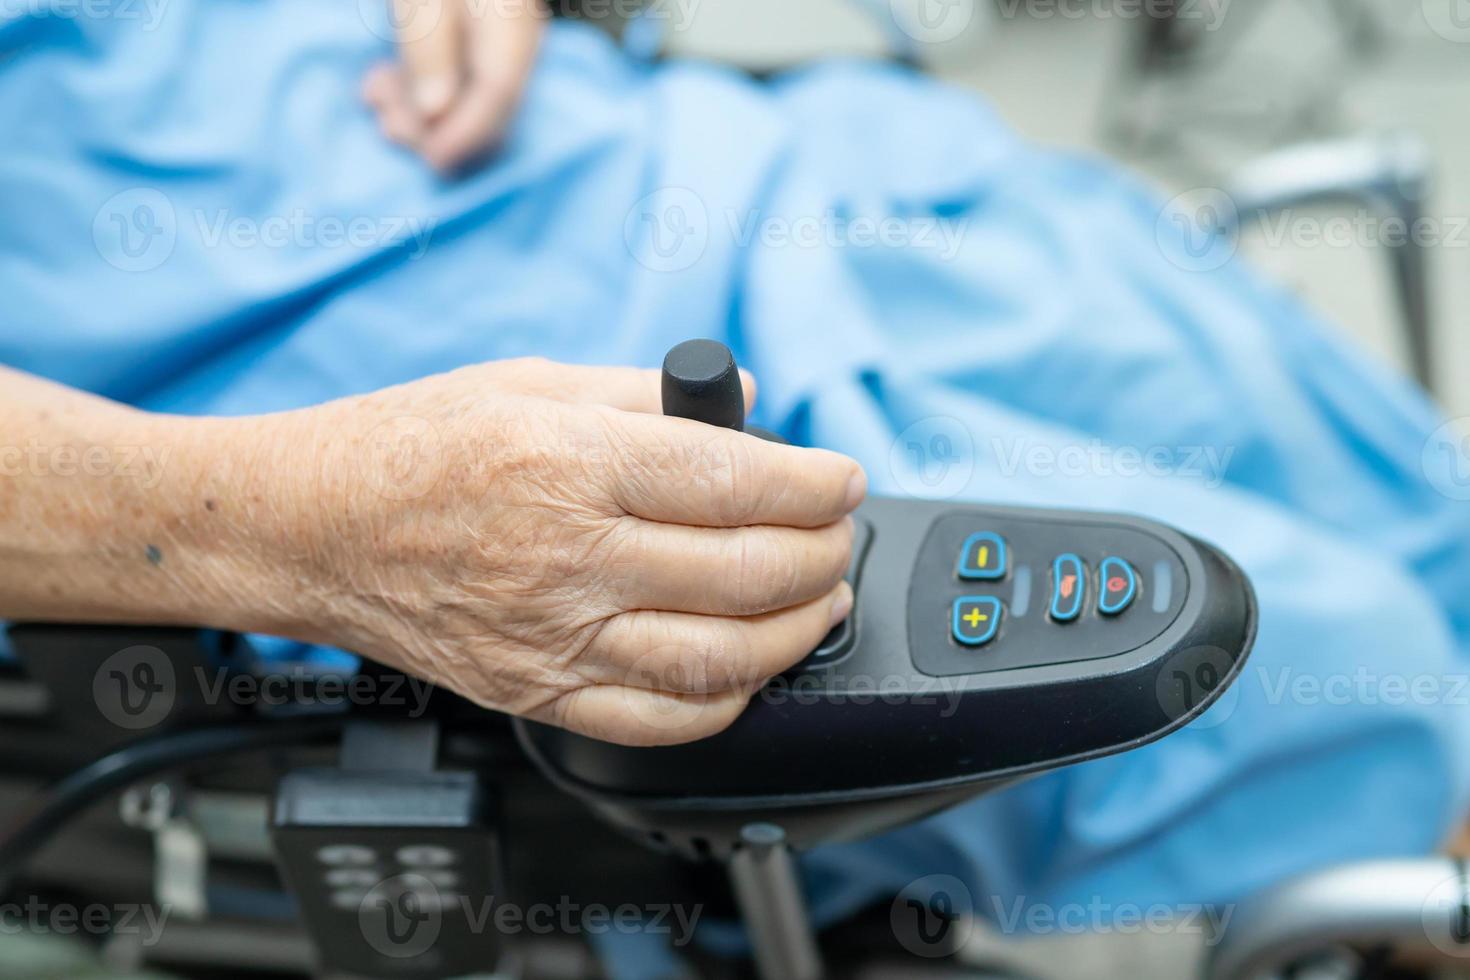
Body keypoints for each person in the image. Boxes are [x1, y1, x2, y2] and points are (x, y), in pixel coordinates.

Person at [5, 0, 1470, 959]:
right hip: (540, 425)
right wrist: (304, 526)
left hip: (731, 163)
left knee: (1422, 517)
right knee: (1363, 677)